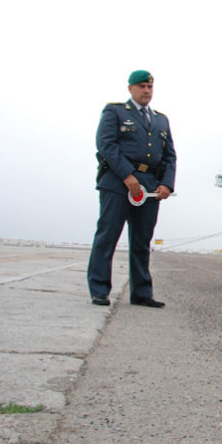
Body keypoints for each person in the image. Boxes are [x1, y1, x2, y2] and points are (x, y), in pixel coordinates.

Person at [87, 70, 176, 308]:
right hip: (118, 183)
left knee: (141, 241)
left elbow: (169, 156)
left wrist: (166, 184)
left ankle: (141, 293)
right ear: (130, 89)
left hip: (149, 187)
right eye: (141, 86)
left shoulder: (161, 120)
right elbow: (106, 144)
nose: (146, 90)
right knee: (107, 237)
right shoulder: (115, 111)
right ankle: (99, 289)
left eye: (149, 86)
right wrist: (127, 175)